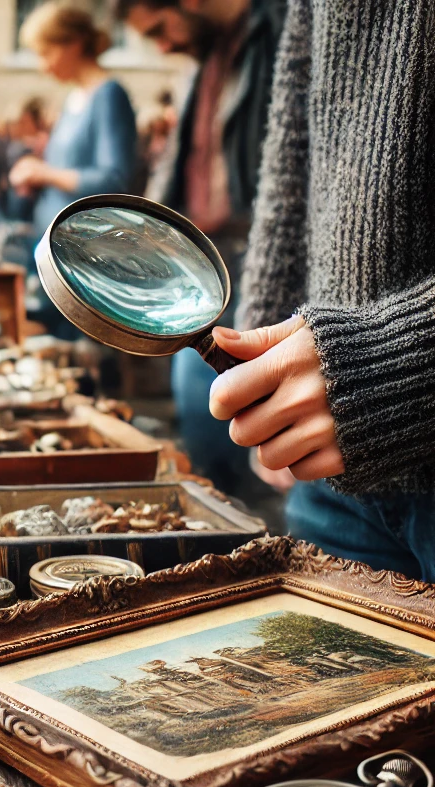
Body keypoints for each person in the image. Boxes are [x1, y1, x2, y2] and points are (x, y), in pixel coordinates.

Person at [205, 0, 435, 579]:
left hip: (359, 395)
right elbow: (295, 147)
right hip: (333, 474)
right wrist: (260, 350)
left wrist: (396, 364)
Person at [119, 0, 285, 500]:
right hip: (200, 262)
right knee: (205, 420)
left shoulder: (276, 33)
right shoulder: (205, 61)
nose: (162, 44)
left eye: (159, 28)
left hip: (253, 261)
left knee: (241, 426)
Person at [12, 3, 137, 240]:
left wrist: (45, 174)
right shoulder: (74, 97)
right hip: (54, 237)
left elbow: (114, 179)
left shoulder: (108, 95)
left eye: (46, 53)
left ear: (74, 43)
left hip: (85, 244)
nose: (44, 66)